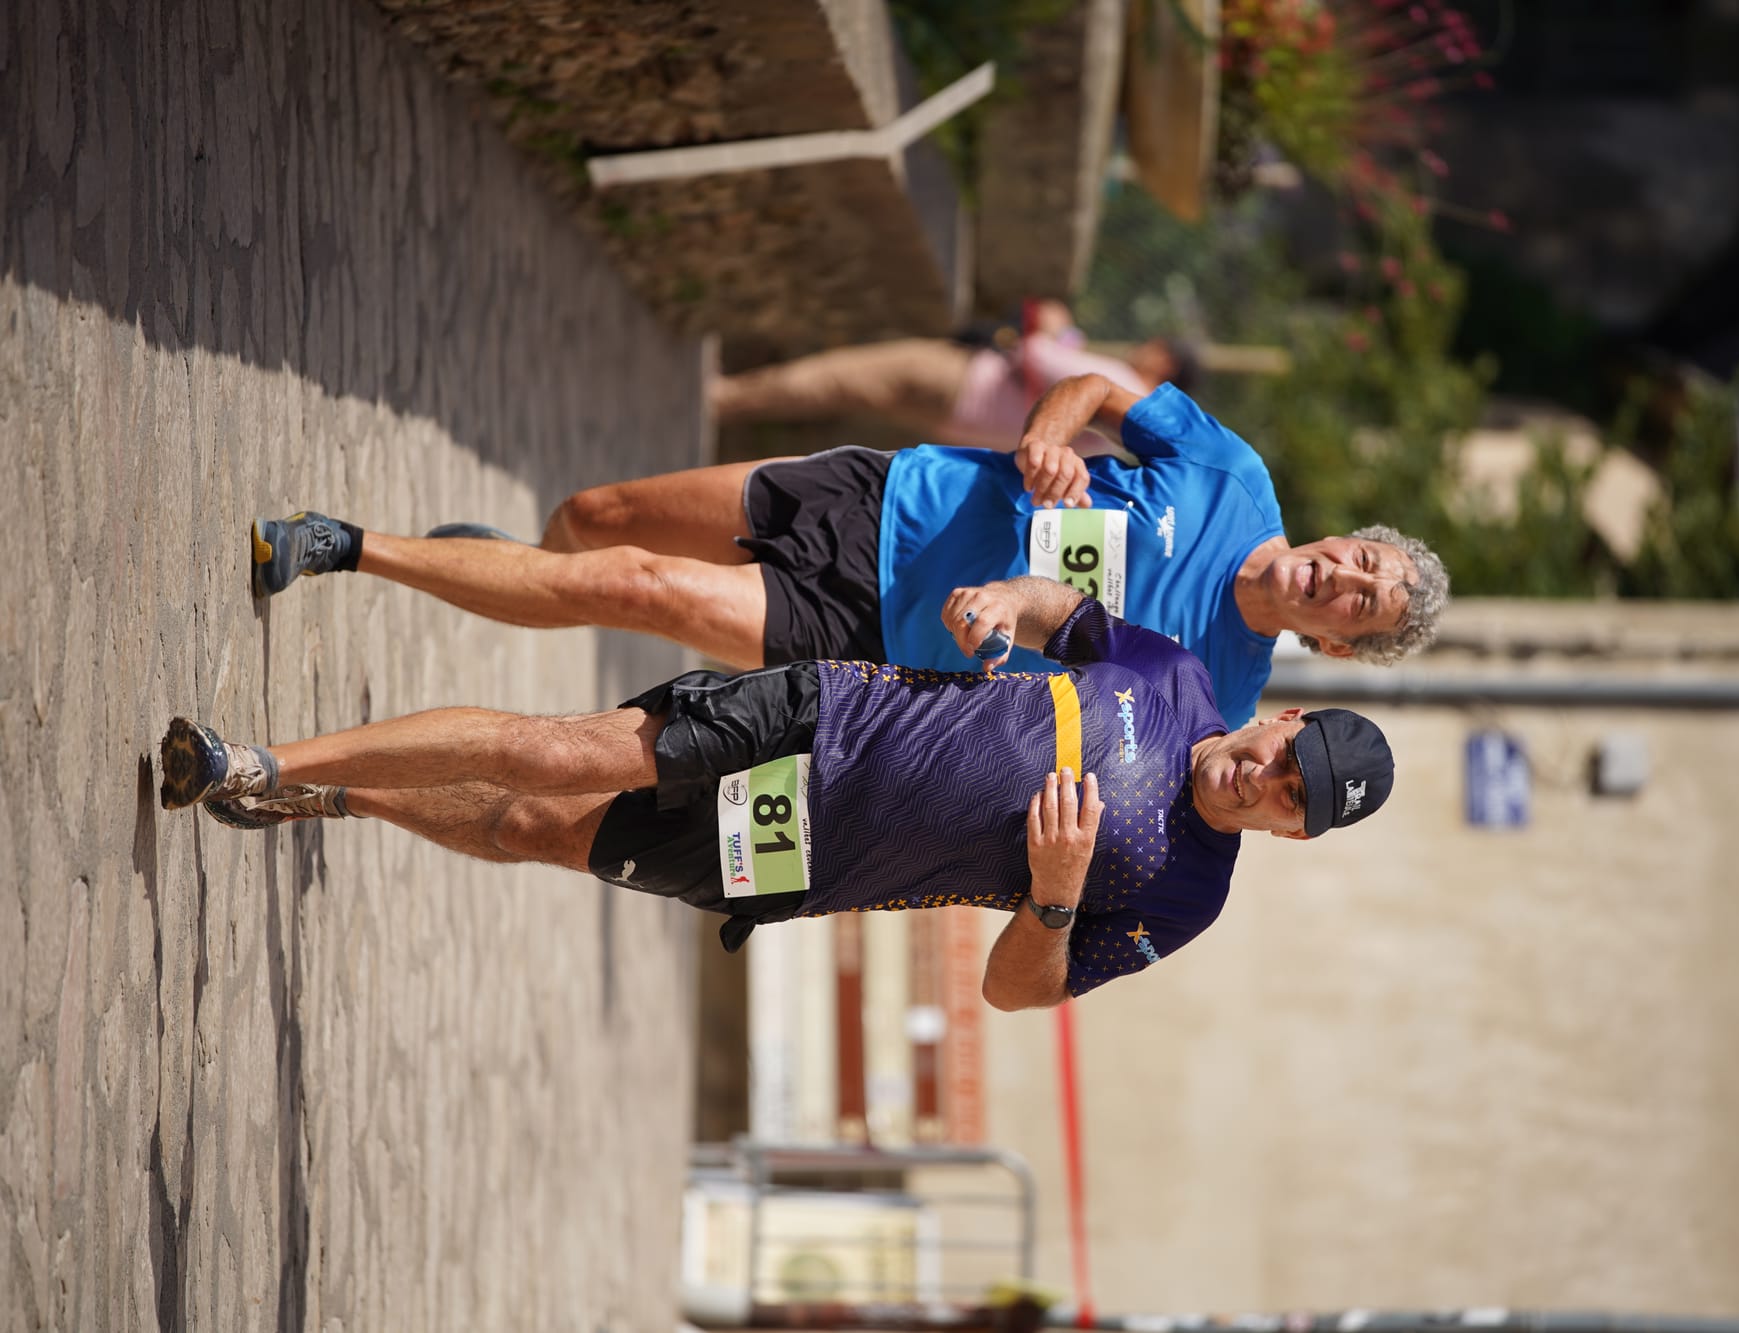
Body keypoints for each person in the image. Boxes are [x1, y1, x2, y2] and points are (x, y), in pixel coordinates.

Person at [156, 578, 1396, 1008]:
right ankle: (264, 760)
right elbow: (1050, 607)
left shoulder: (1183, 895)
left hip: (803, 856)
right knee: (556, 752)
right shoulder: (1170, 674)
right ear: (1279, 713)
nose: (1265, 780)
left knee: (535, 826)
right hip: (825, 716)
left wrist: (1058, 897)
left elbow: (1011, 992)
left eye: (1292, 800)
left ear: (1292, 832)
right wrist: (996, 606)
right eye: (1287, 754)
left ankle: (343, 800)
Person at [250, 374, 1449, 729]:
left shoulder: (1217, 693)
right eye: (1360, 561)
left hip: (880, 635)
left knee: (627, 589)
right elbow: (1087, 385)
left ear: (1343, 644)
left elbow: (1067, 731)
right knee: (598, 517)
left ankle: (352, 548)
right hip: (886, 501)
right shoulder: (1234, 476)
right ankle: (502, 564)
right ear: (1345, 541)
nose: (1340, 579)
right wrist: (1042, 438)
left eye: (1361, 604)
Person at [711, 299, 1196, 450]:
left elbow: (1037, 358)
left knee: (837, 376)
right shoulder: (1129, 429)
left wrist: (1053, 329)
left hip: (963, 381)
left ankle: (724, 398)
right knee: (843, 394)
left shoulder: (1119, 382)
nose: (1146, 346)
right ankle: (732, 402)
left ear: (1165, 364)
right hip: (965, 424)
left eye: (1158, 347)